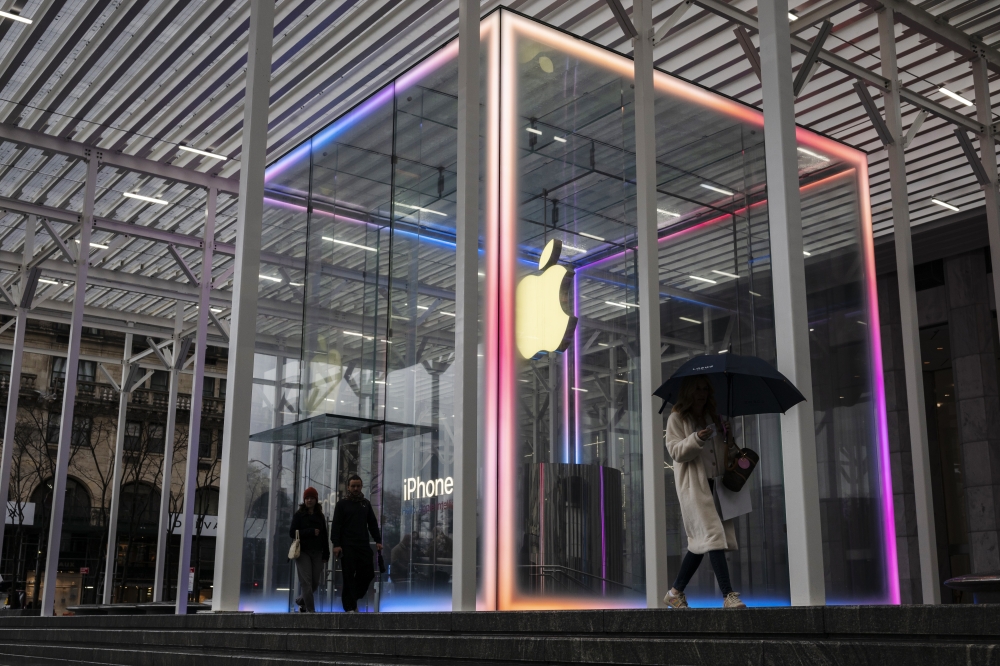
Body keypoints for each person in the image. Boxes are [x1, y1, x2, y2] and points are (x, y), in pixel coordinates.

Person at [663, 375, 747, 610]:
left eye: (705, 389)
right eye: (697, 389)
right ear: (689, 392)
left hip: (718, 486)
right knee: (713, 537)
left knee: (700, 543)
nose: (701, 393)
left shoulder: (714, 418)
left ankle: (674, 592)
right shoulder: (677, 418)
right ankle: (728, 595)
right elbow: (675, 452)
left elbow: (724, 457)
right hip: (694, 487)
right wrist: (695, 439)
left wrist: (728, 440)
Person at [331, 474, 382, 612]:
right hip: (347, 546)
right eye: (353, 486)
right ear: (348, 487)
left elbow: (372, 523)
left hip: (363, 545)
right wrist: (336, 544)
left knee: (368, 573)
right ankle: (349, 607)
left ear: (361, 487)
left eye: (358, 486)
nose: (355, 488)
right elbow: (336, 525)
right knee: (348, 576)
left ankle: (354, 597)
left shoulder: (365, 503)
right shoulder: (342, 504)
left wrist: (378, 540)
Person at [289, 487, 329, 612]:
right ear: (304, 500)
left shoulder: (320, 516)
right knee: (306, 582)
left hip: (317, 552)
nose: (309, 500)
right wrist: (310, 532)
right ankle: (311, 612)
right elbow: (292, 533)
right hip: (303, 552)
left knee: (315, 583)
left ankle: (302, 601)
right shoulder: (299, 515)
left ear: (316, 500)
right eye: (307, 498)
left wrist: (326, 553)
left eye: (312, 498)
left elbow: (324, 535)